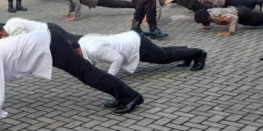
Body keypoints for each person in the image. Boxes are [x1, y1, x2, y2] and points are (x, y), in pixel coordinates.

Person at [0, 30, 145, 131]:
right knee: (88, 75)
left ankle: (131, 96)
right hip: (47, 43)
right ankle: (122, 96)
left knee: (88, 74)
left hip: (51, 45)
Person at [74, 31, 207, 77]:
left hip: (136, 45)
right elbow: (91, 60)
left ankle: (198, 54)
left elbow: (117, 59)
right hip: (132, 40)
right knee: (163, 52)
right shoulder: (83, 41)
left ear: (77, 50)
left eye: (76, 56)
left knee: (164, 58)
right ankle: (187, 54)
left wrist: (110, 77)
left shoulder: (93, 49)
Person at [194, 6, 263, 36]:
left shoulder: (219, 15)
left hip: (242, 14)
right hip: (240, 11)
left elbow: (234, 18)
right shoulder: (208, 14)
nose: (206, 22)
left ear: (207, 17)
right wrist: (206, 26)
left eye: (206, 21)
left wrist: (229, 32)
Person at [0, 17, 82, 44]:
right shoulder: (9, 22)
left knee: (73, 42)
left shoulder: (15, 30)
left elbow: (26, 42)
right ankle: (89, 38)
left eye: (2, 38)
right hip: (49, 27)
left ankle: (90, 39)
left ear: (1, 34)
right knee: (73, 39)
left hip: (49, 32)